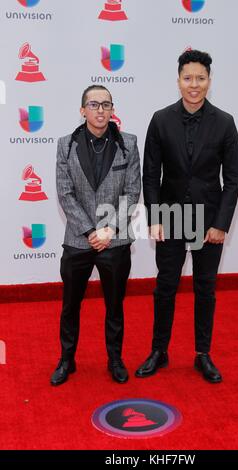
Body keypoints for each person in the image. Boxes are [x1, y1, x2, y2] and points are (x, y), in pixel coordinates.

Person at [135, 50, 238, 383]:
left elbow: (233, 178)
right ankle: (159, 351)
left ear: (209, 81)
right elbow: (150, 174)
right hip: (171, 218)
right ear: (178, 80)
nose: (194, 85)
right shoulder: (160, 119)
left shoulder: (225, 122)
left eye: (200, 78)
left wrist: (221, 224)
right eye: (187, 78)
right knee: (165, 287)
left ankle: (202, 354)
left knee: (205, 288)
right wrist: (153, 217)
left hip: (209, 221)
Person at [51, 85, 141, 385]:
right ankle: (67, 360)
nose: (100, 110)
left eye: (106, 104)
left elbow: (132, 191)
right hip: (78, 239)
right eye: (94, 104)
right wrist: (91, 231)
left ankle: (115, 360)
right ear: (82, 110)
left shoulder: (129, 143)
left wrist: (110, 229)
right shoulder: (66, 145)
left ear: (112, 109)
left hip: (115, 241)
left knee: (115, 306)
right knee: (70, 304)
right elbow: (65, 193)